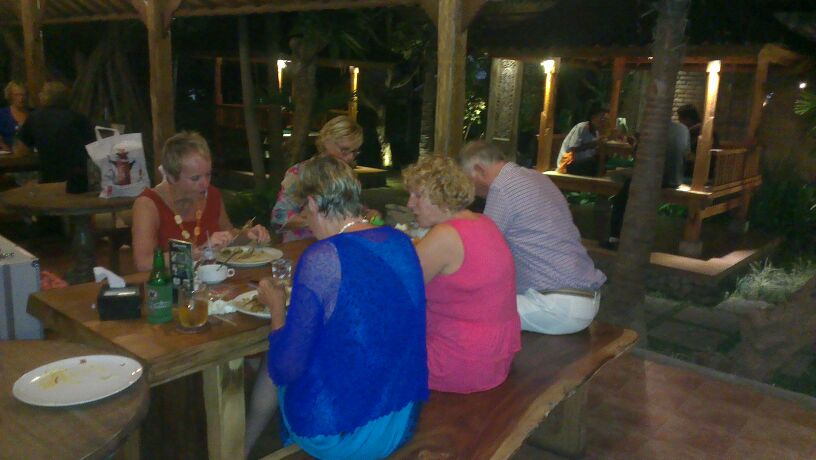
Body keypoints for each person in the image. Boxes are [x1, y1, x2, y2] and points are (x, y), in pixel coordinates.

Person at [253, 155, 428, 459]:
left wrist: (277, 308)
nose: (307, 221)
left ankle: (241, 448)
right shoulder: (400, 241)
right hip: (400, 417)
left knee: (276, 362)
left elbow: (286, 368)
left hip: (341, 434)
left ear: (313, 203)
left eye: (305, 211)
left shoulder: (323, 257)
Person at [459, 140, 606, 335]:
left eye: (468, 181)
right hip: (585, 299)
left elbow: (480, 251)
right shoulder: (537, 177)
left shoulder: (502, 187)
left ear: (479, 170)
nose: (472, 191)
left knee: (458, 308)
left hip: (555, 305)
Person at [403, 154, 520, 393]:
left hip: (460, 360)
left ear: (440, 195)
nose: (409, 204)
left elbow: (397, 289)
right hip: (495, 357)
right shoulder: (484, 222)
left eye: (417, 195)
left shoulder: (445, 235)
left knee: (360, 349)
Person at [131, 131, 269, 272]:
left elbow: (228, 235)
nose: (205, 183)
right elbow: (144, 262)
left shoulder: (212, 195)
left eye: (208, 174)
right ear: (171, 177)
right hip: (172, 283)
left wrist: (247, 235)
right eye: (195, 178)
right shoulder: (148, 204)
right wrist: (199, 251)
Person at [272, 115, 378, 242]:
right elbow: (279, 218)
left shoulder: (347, 174)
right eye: (344, 150)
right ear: (326, 142)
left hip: (340, 243)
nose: (350, 157)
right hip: (303, 245)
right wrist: (316, 218)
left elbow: (353, 209)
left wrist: (369, 215)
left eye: (355, 152)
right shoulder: (300, 173)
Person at [605, 121, 690, 248]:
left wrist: (635, 144)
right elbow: (686, 154)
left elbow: (640, 154)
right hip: (675, 179)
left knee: (620, 199)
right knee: (627, 179)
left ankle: (615, 239)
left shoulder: (653, 127)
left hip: (653, 177)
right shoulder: (683, 129)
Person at [14, 82, 93, 192]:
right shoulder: (79, 118)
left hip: (48, 179)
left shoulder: (34, 118)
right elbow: (92, 148)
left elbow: (21, 151)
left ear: (45, 97)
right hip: (78, 182)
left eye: (42, 92)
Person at [556, 105, 610, 176]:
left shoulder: (596, 132)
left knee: (604, 161)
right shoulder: (582, 127)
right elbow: (573, 149)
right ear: (593, 117)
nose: (604, 121)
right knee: (595, 164)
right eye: (602, 118)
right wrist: (594, 144)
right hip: (568, 164)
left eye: (605, 119)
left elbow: (593, 152)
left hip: (583, 163)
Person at [677, 104, 719, 177]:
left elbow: (693, 156)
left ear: (688, 119)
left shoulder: (701, 132)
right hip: (701, 168)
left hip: (697, 170)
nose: (680, 122)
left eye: (681, 119)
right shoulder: (703, 130)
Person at [0, 81, 28, 152]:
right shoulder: (2, 114)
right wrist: (9, 150)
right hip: (9, 155)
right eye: (16, 95)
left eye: (23, 94)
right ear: (10, 96)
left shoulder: (33, 114)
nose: (21, 98)